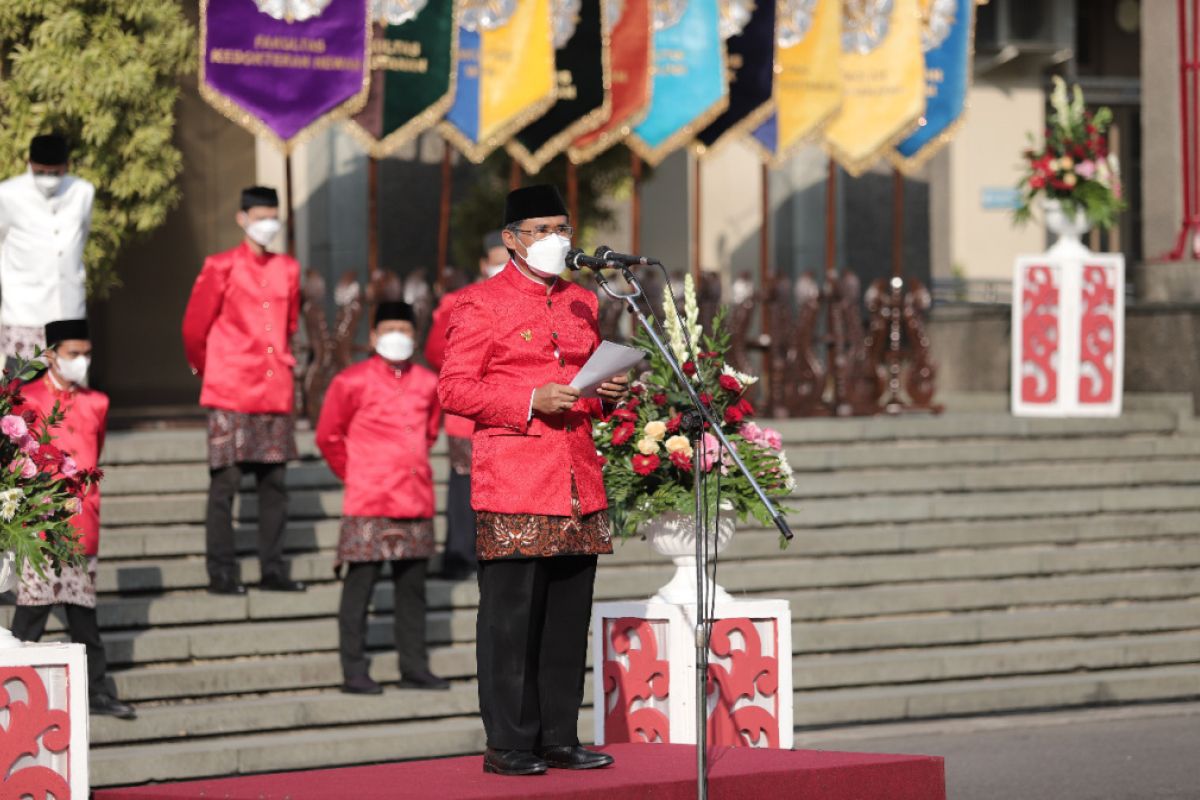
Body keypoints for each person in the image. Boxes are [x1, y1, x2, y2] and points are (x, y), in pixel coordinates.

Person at [438, 185, 630, 776]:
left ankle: (558, 736)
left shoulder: (581, 302)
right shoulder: (478, 303)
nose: (556, 240)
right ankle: (509, 743)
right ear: (512, 239)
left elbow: (584, 380)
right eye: (542, 230)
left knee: (568, 618)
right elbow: (453, 388)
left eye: (562, 228)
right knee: (511, 621)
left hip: (578, 477)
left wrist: (608, 394)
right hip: (516, 479)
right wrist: (528, 398)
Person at [316, 300, 450, 695]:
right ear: (373, 336)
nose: (398, 337)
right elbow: (327, 436)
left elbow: (429, 433)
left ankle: (414, 665)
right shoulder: (350, 381)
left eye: (405, 330)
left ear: (416, 336)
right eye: (389, 329)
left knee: (413, 589)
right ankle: (353, 669)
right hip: (369, 499)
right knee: (360, 586)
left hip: (414, 496)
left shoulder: (428, 383)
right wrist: (354, 472)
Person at [181, 186, 306, 595]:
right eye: (260, 215)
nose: (268, 223)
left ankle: (272, 569)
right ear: (242, 218)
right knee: (226, 485)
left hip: (274, 389)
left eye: (273, 215)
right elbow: (194, 328)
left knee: (274, 485)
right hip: (230, 389)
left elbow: (288, 325)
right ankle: (221, 572)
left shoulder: (288, 268)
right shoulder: (220, 266)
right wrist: (208, 368)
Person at [9, 319, 135, 719]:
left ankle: (97, 692)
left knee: (84, 618)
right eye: (73, 354)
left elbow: (95, 452)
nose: (81, 361)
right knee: (30, 617)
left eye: (86, 353)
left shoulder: (97, 402)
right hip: (39, 523)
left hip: (81, 523)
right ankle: (9, 693)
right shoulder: (24, 399)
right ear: (51, 355)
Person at [423, 231, 509, 581]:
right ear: (483, 263)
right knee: (463, 486)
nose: (503, 267)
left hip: (509, 412)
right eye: (497, 260)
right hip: (467, 415)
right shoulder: (459, 301)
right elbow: (434, 351)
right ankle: (459, 553)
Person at [0, 134, 93, 359]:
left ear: (66, 167)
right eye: (41, 172)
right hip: (24, 311)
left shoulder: (82, 192)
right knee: (21, 389)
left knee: (68, 386)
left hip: (69, 310)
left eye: (55, 172)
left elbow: (82, 237)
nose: (48, 178)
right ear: (30, 164)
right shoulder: (8, 194)